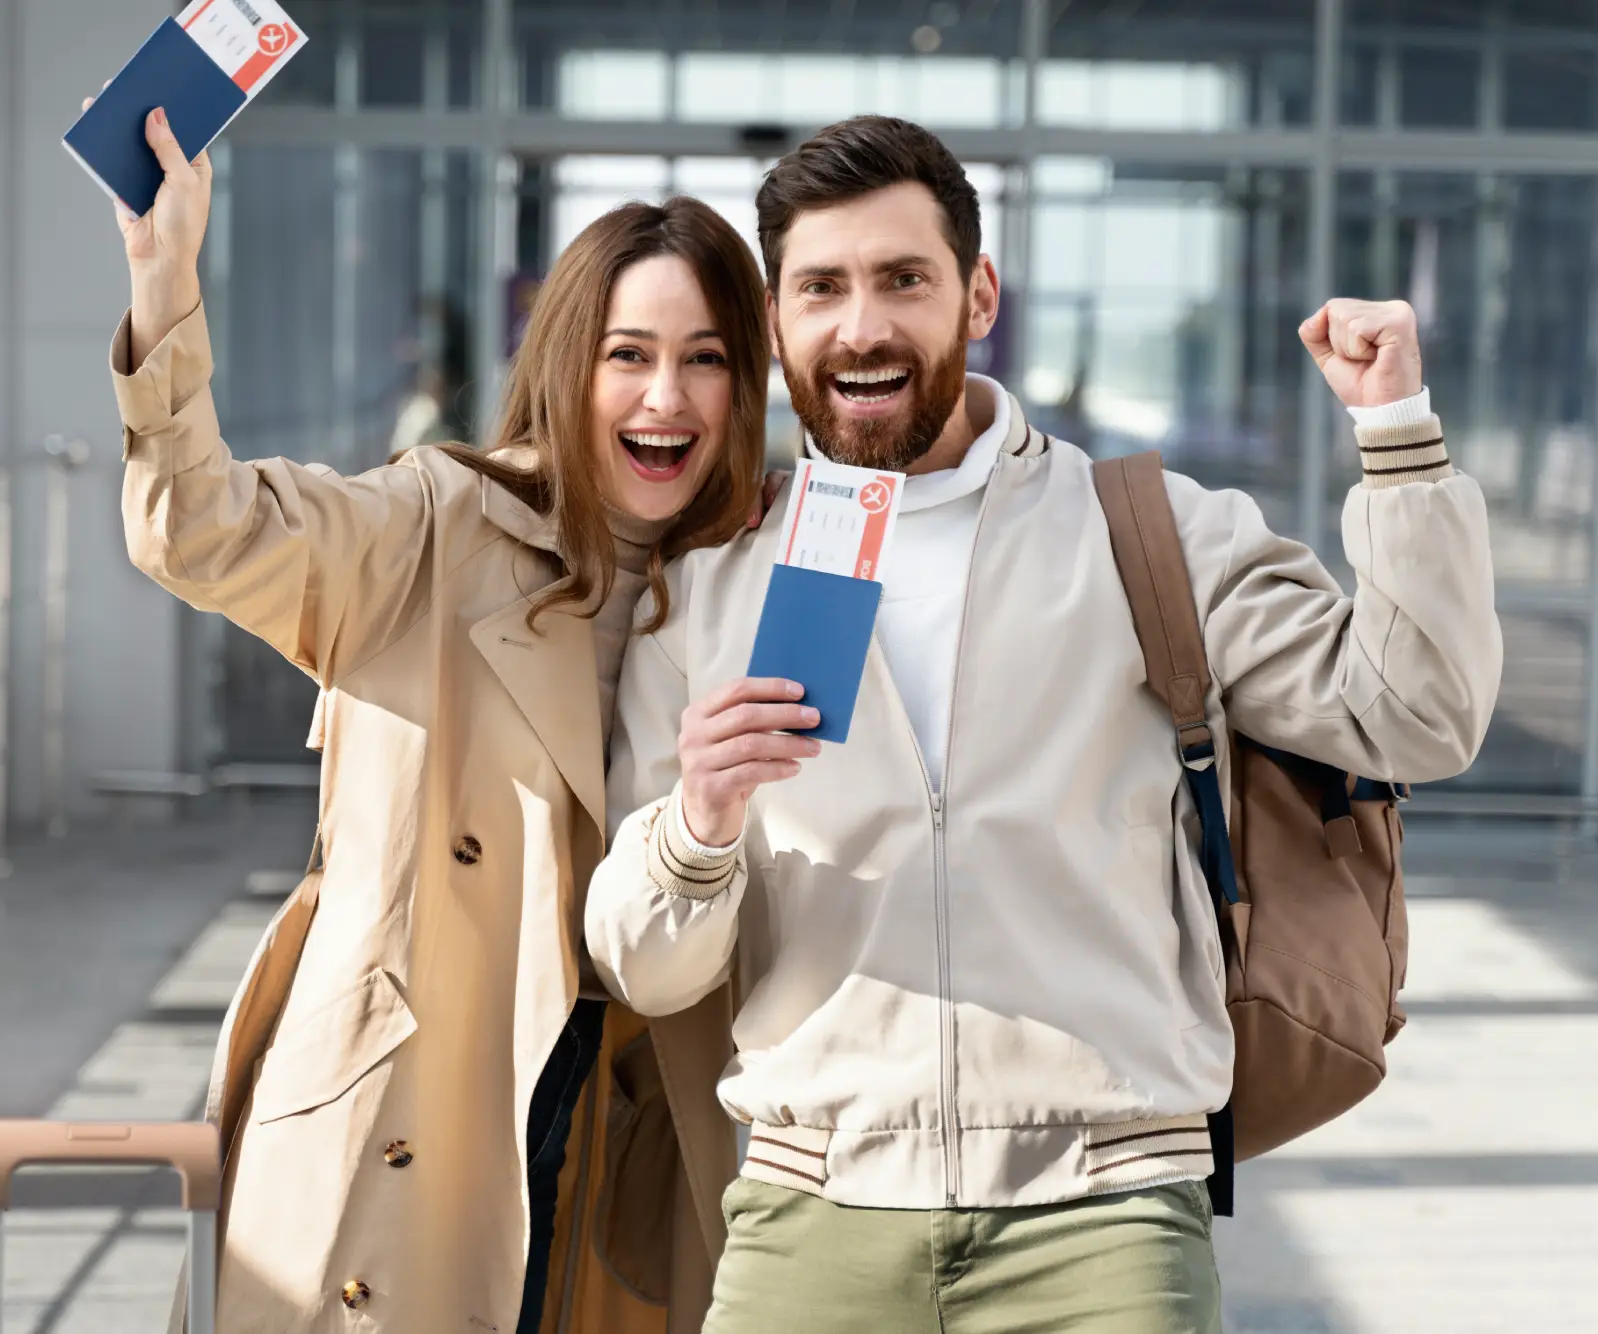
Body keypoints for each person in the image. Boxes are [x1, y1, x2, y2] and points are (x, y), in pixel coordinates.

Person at [585, 116, 1502, 1333]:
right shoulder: (704, 585)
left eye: (902, 279)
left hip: (1106, 1218)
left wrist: (1395, 437)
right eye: (822, 288)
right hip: (809, 1218)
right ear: (774, 320)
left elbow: (1416, 714)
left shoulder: (1149, 534)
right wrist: (696, 824)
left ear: (976, 294)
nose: (861, 325)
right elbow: (643, 964)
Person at [100, 103, 766, 1334]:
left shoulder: (768, 573)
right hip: (418, 1102)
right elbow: (199, 525)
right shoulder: (437, 523)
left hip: (639, 1119)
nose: (663, 396)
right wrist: (167, 288)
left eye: (706, 357)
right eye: (626, 353)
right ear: (568, 362)